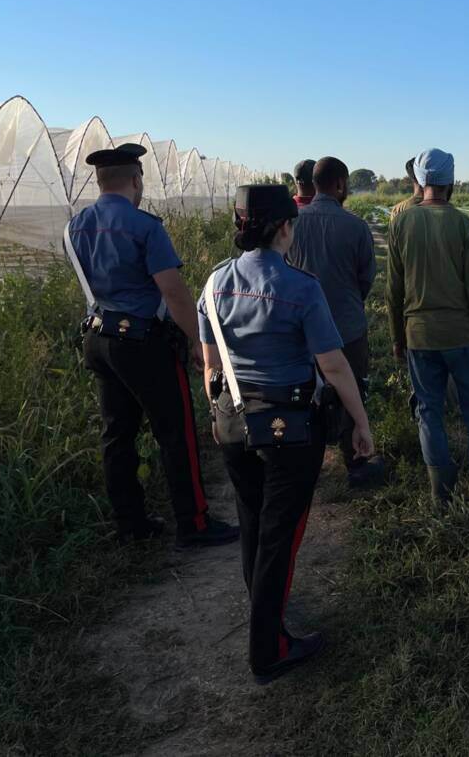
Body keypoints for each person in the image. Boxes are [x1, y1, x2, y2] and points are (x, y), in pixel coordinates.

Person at [198, 184, 373, 685]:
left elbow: (210, 365)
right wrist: (361, 422)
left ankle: (264, 607)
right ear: (283, 228)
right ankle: (269, 648)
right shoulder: (300, 287)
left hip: (234, 419)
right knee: (281, 535)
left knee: (252, 519)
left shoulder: (214, 283)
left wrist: (216, 414)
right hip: (289, 428)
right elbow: (333, 365)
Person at [65, 143, 238, 548]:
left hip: (99, 338)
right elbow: (174, 293)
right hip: (143, 344)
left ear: (100, 182)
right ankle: (193, 524)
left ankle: (131, 523)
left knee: (117, 433)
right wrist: (199, 342)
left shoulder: (75, 227)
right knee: (176, 431)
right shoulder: (144, 227)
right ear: (136, 180)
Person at [387, 148, 469, 513]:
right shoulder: (463, 224)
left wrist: (397, 338)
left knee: (429, 412)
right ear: (451, 182)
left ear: (421, 181)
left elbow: (394, 290)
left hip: (419, 335)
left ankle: (441, 497)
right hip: (462, 336)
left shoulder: (401, 223)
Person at [287, 155, 383, 487]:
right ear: (340, 184)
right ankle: (355, 463)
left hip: (300, 331)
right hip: (346, 328)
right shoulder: (355, 226)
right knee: (350, 391)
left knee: (302, 394)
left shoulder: (292, 223)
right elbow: (366, 278)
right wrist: (349, 301)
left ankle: (303, 465)